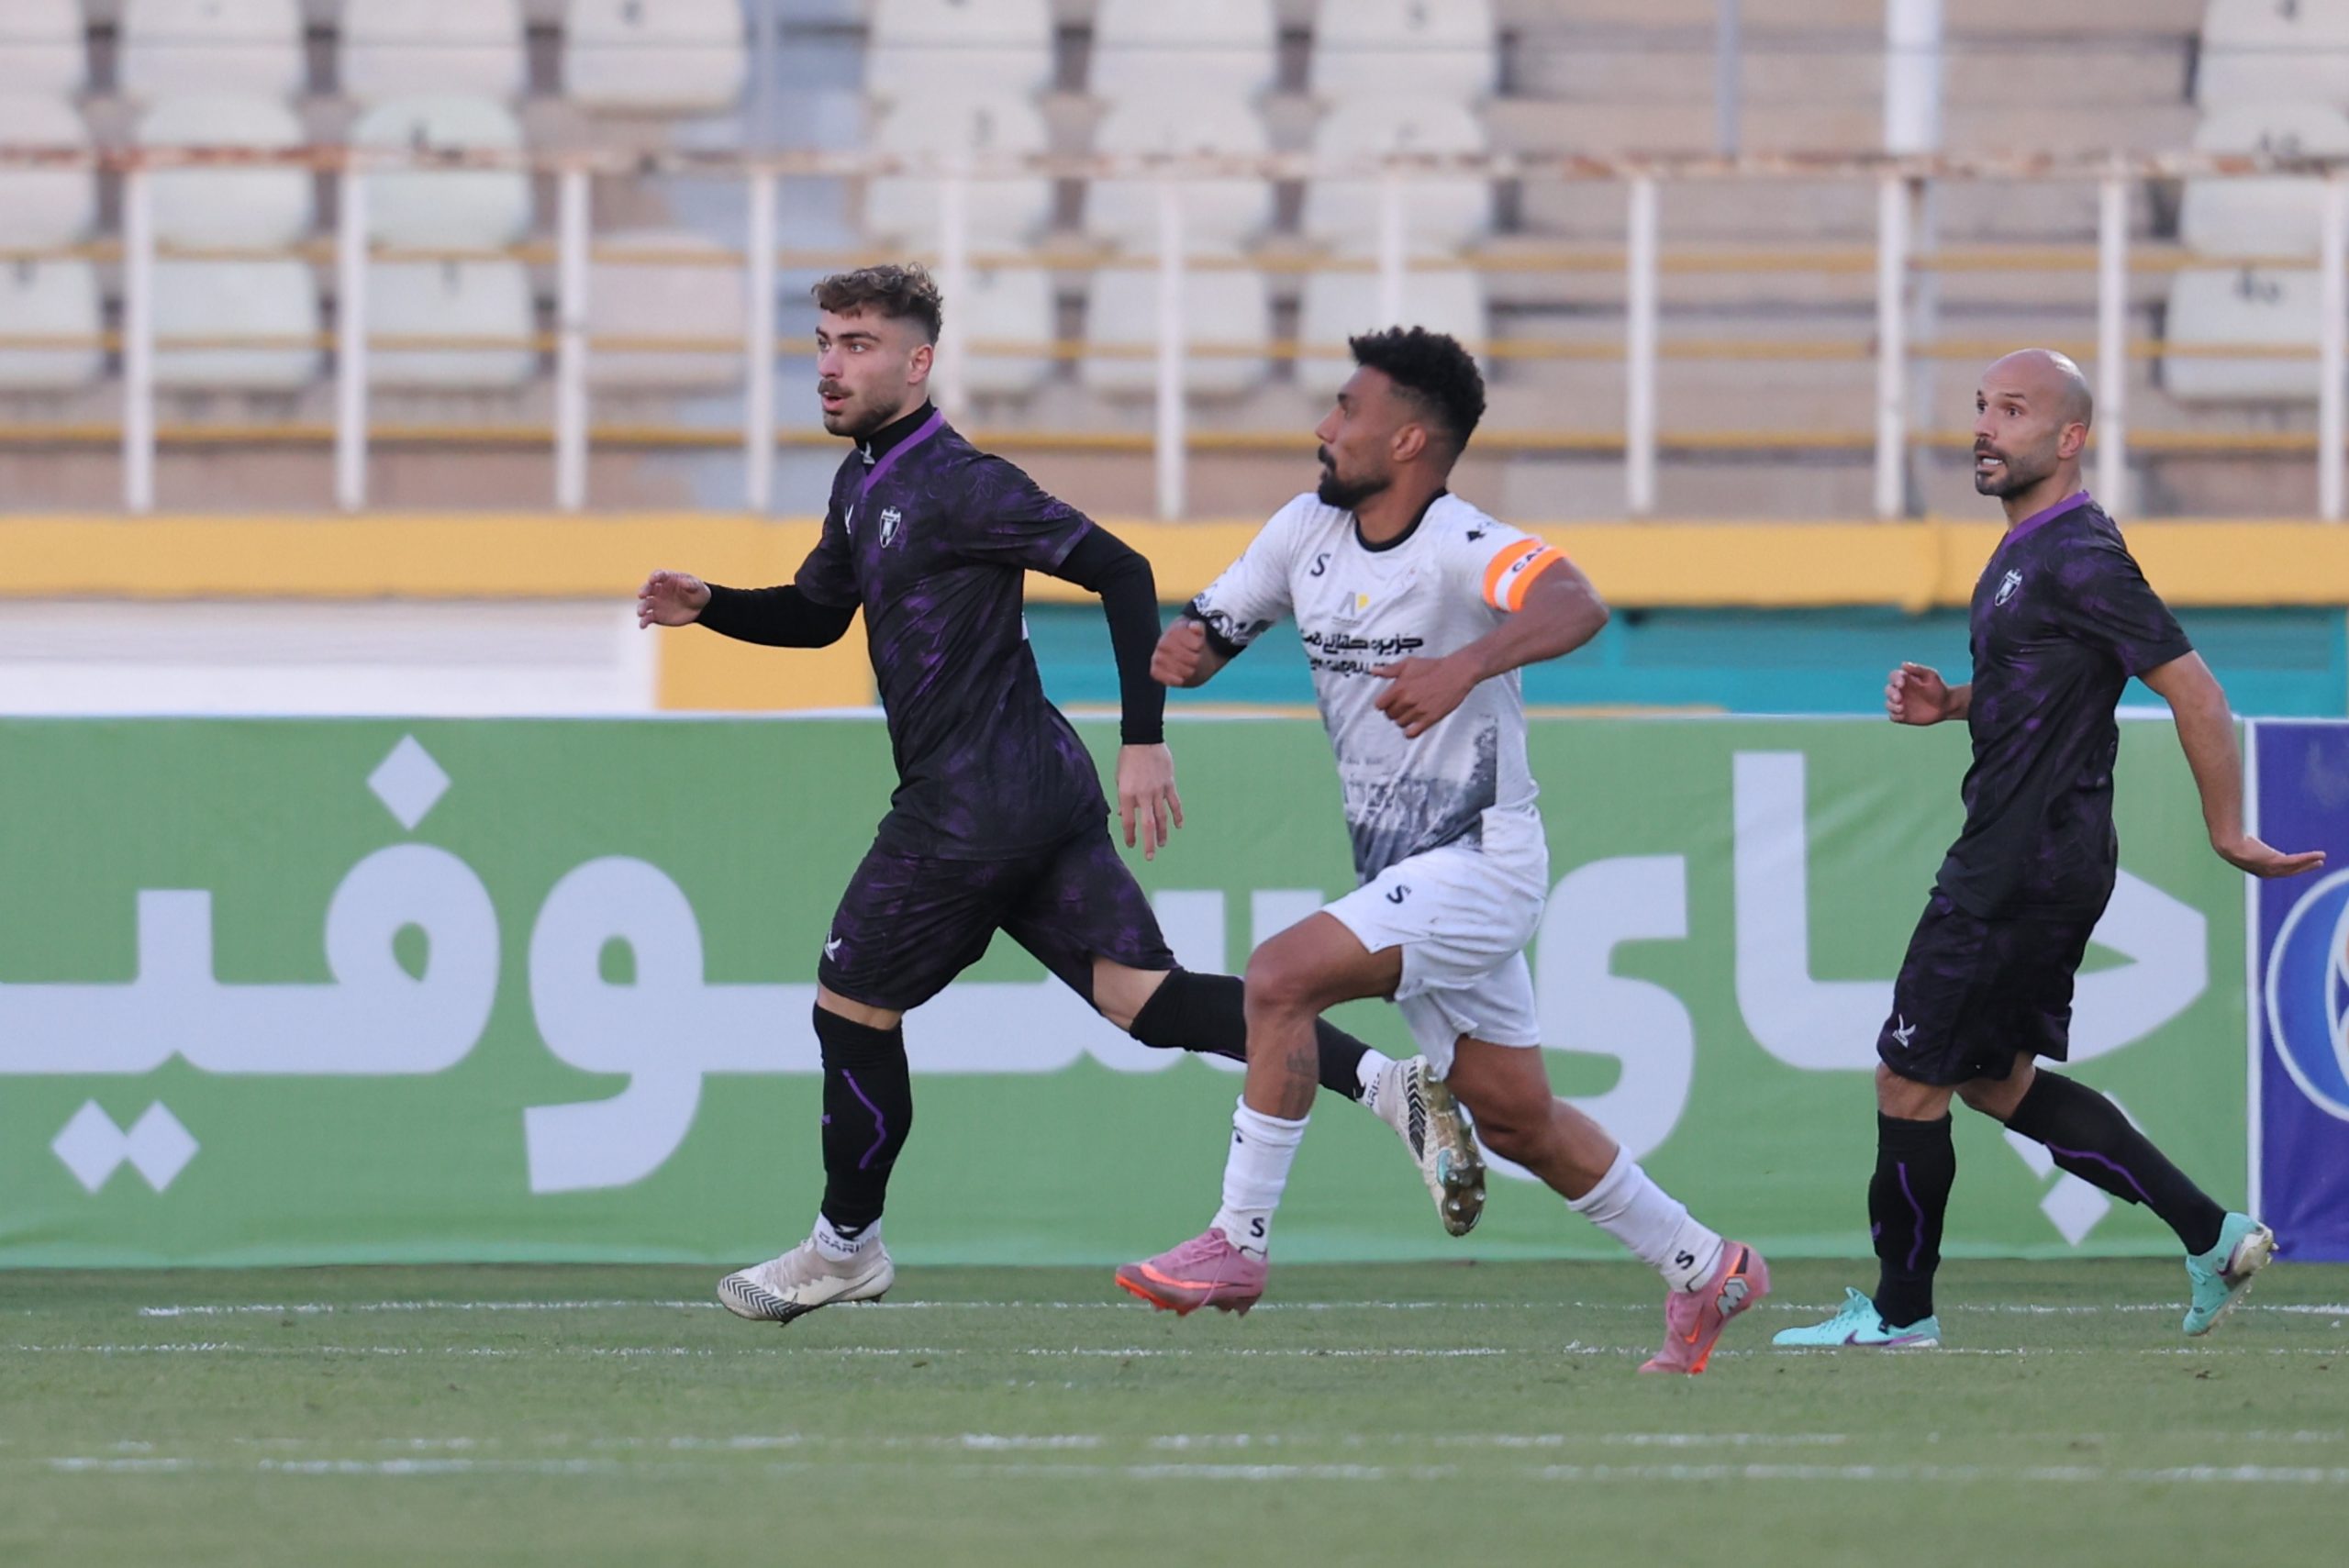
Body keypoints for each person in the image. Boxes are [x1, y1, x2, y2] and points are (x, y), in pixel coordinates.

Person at [637, 266, 1478, 1325]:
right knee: (1145, 1001)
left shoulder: (958, 480)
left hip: (969, 804)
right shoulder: (863, 482)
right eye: (823, 342)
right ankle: (1388, 1084)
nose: (831, 365)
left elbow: (1121, 569)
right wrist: (712, 604)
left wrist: (1144, 740)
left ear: (917, 361)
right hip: (1031, 789)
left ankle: (844, 1247)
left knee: (850, 1006)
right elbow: (817, 613)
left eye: (857, 344)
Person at [1114, 328, 1769, 1375]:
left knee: (1279, 976)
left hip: (1481, 860)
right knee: (1516, 1120)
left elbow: (1577, 603)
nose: (1324, 428)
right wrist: (1185, 656)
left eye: (1347, 410)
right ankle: (1706, 1265)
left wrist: (1464, 665)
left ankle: (1237, 1241)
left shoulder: (1465, 544)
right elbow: (1210, 634)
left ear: (1409, 439)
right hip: (1403, 873)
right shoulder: (1303, 529)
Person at [1775, 349, 2322, 1351]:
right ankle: (2212, 1234)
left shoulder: (2078, 551)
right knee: (1994, 1080)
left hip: (2016, 863)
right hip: (2041, 855)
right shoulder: (2023, 553)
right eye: (1982, 406)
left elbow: (2195, 690)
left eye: (2014, 410)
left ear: (2070, 437)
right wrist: (1954, 702)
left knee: (1908, 1079)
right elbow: (2049, 678)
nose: (1985, 426)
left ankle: (1900, 1311)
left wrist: (2226, 829)